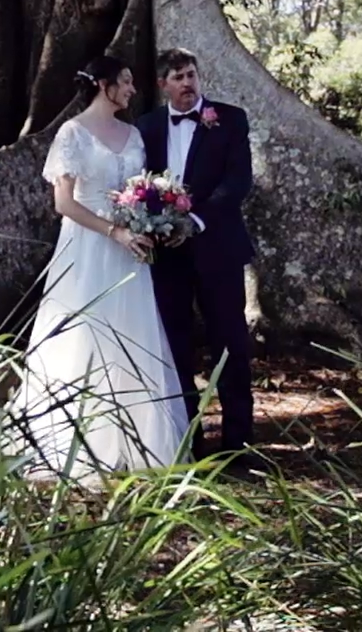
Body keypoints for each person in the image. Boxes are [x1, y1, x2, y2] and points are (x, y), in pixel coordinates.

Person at [2, 56, 189, 487]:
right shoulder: (72, 133)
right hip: (88, 246)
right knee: (85, 334)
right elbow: (64, 203)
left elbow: (138, 191)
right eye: (124, 82)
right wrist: (114, 231)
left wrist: (149, 218)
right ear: (103, 85)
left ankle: (136, 443)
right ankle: (74, 444)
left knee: (131, 334)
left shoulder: (135, 134)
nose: (131, 89)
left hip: (130, 250)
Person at [135, 48, 260, 472]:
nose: (187, 83)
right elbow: (137, 187)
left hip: (218, 249)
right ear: (162, 85)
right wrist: (154, 225)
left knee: (231, 345)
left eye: (191, 74)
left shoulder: (230, 118)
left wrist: (198, 221)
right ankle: (188, 443)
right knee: (175, 347)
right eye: (177, 77)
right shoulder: (146, 127)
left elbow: (238, 181)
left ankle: (239, 446)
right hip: (166, 256)